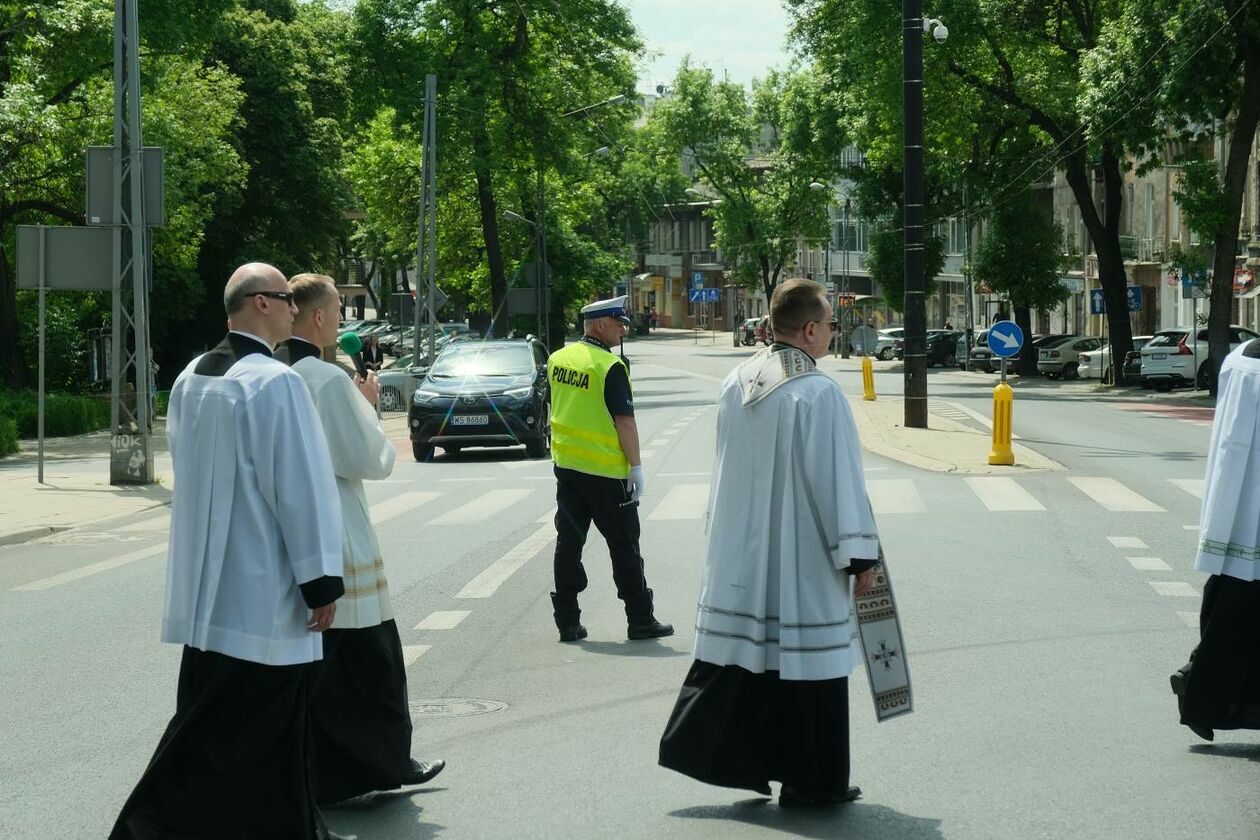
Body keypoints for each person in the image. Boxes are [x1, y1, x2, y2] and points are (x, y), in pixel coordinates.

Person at [111, 263, 351, 840]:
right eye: (284, 299)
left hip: (206, 592)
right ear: (259, 305)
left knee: (219, 723)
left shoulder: (194, 375)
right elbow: (299, 486)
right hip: (262, 590)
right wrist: (320, 579)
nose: (294, 308)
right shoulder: (275, 382)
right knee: (245, 733)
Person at [659, 278, 882, 807]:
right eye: (830, 324)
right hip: (801, 555)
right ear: (809, 329)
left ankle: (740, 761)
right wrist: (859, 555)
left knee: (751, 659)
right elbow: (838, 480)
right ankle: (811, 781)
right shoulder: (818, 392)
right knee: (808, 665)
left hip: (741, 550)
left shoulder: (736, 379)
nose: (832, 332)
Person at [278, 274, 446, 804]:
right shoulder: (325, 381)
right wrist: (368, 403)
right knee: (370, 660)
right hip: (335, 525)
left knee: (313, 668)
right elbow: (369, 459)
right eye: (336, 312)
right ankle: (387, 759)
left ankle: (314, 772)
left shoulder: (268, 372)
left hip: (285, 532)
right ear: (322, 318)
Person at [546, 295, 673, 643]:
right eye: (618, 323)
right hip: (606, 474)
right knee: (624, 547)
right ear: (600, 325)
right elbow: (625, 422)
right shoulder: (609, 366)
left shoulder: (557, 360)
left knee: (568, 544)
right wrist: (636, 467)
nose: (623, 329)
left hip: (568, 469)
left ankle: (567, 621)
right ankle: (640, 618)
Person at [1171, 337, 1260, 740]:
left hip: (1239, 507)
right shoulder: (1248, 361)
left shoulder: (1241, 359)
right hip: (1248, 509)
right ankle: (1200, 686)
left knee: (1233, 604)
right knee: (1237, 611)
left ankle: (1200, 684)